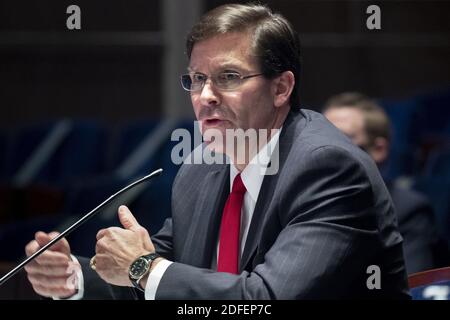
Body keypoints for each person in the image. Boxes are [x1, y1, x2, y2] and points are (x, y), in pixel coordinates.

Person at [24, 3, 410, 299]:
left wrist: (143, 267)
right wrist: (73, 276)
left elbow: (265, 298)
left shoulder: (327, 167)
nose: (205, 96)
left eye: (228, 77)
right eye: (196, 79)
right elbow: (165, 277)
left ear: (281, 88)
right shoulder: (201, 171)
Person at [323, 92, 440, 274]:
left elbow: (410, 285)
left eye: (341, 137)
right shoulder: (301, 203)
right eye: (320, 135)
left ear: (379, 150)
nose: (324, 147)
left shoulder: (408, 210)